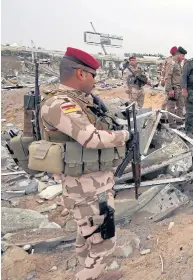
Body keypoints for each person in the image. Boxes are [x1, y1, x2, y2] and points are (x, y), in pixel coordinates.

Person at [39, 47, 129, 280]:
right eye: (93, 75)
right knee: (104, 241)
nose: (96, 81)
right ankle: (87, 275)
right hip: (85, 188)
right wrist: (124, 136)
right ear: (80, 73)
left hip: (92, 183)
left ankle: (91, 272)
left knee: (87, 234)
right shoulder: (61, 104)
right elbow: (91, 138)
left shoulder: (79, 101)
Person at [164, 46, 187, 128]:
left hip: (179, 88)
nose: (183, 58)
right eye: (182, 56)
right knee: (171, 106)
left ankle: (178, 120)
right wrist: (170, 89)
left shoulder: (178, 63)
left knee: (181, 105)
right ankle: (171, 123)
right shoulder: (171, 63)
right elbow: (167, 77)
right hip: (173, 88)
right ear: (178, 54)